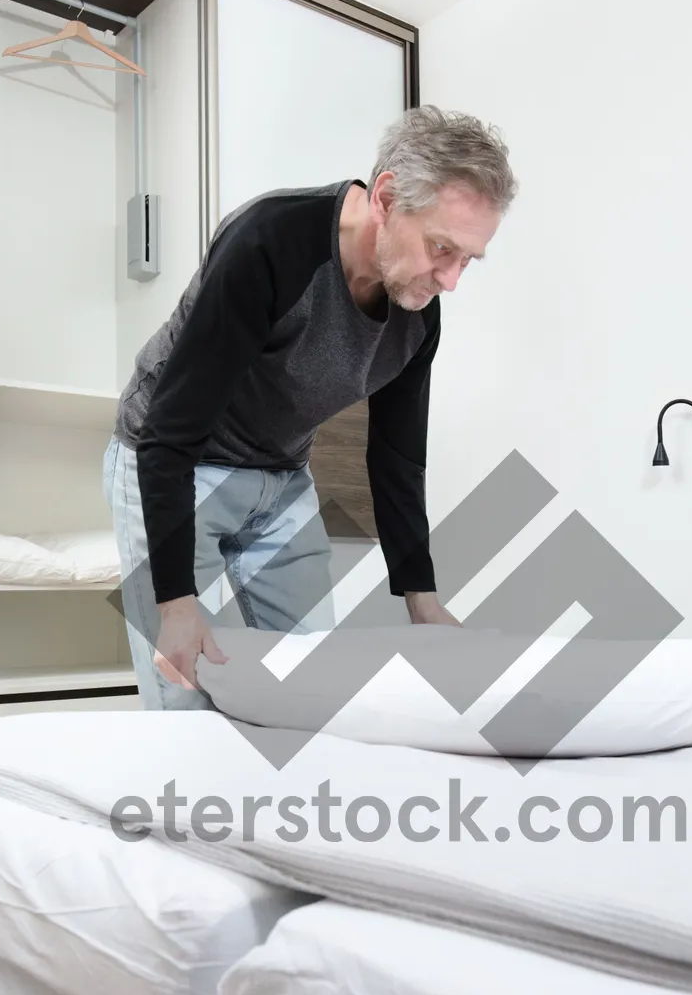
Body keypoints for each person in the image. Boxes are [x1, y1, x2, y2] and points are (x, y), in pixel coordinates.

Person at [103, 105, 517, 708]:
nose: (450, 279)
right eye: (441, 248)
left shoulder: (418, 311)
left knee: (314, 694)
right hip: (175, 464)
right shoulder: (269, 242)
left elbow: (397, 458)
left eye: (467, 261)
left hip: (280, 476)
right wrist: (176, 603)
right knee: (185, 698)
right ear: (386, 197)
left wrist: (422, 602)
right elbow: (171, 429)